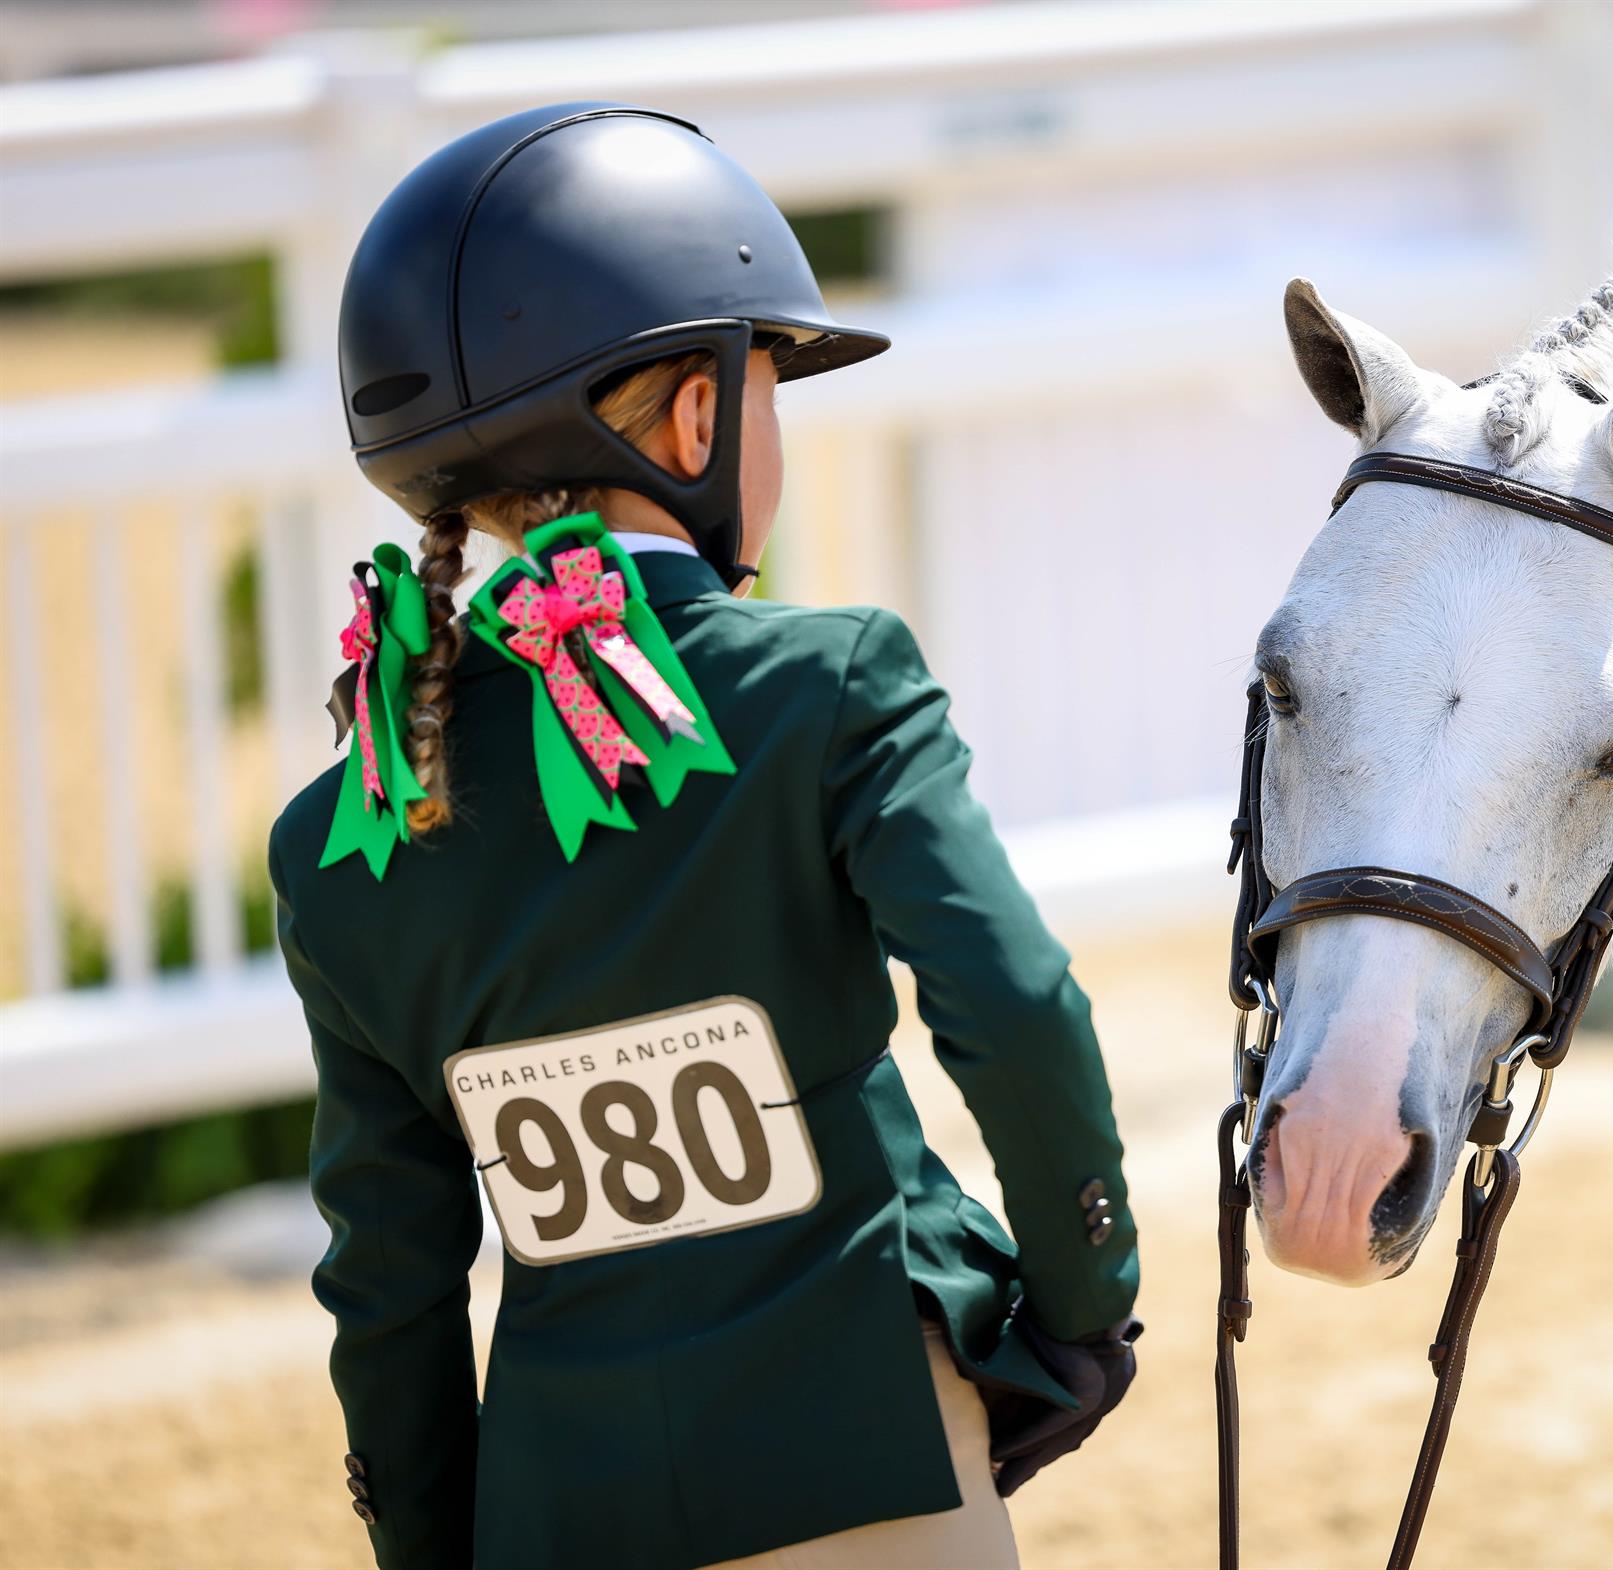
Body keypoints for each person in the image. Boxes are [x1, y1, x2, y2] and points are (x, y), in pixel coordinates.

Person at [268, 102, 1140, 1570]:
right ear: (694, 418)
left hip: (561, 1508)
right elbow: (1012, 997)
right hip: (867, 1447)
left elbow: (391, 1281)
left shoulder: (346, 832)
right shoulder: (828, 682)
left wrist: (432, 1542)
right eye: (768, 393)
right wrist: (1081, 1297)